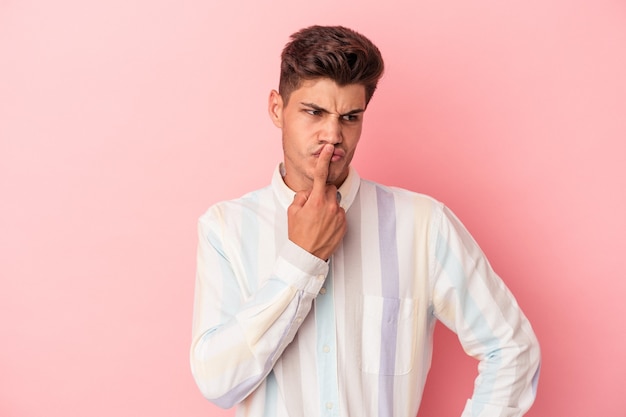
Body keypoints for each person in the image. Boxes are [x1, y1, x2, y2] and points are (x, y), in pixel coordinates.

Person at [190, 25, 540, 417]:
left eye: (350, 116)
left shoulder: (423, 225)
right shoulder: (227, 228)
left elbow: (512, 348)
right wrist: (301, 260)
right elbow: (217, 383)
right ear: (277, 109)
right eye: (314, 112)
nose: (333, 135)